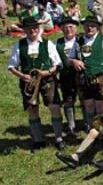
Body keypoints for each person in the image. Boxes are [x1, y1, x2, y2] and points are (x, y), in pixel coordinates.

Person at [7, 17, 64, 151]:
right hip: (29, 83)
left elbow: (58, 63)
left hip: (47, 80)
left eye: (35, 27)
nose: (33, 30)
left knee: (54, 107)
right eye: (30, 28)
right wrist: (22, 76)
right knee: (32, 109)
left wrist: (47, 72)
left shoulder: (47, 43)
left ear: (38, 29)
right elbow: (11, 66)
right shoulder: (19, 45)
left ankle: (58, 138)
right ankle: (38, 140)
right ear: (25, 30)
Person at [66, 16, 103, 130]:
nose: (89, 28)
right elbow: (69, 58)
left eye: (92, 26)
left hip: (99, 78)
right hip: (84, 78)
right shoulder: (78, 41)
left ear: (97, 27)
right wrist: (74, 61)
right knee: (88, 105)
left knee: (100, 106)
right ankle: (91, 128)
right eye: (87, 25)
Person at [55, 17, 80, 135]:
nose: (68, 29)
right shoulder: (58, 43)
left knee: (85, 100)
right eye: (65, 27)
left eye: (71, 27)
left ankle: (87, 124)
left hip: (81, 75)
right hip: (65, 76)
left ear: (76, 28)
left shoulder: (81, 40)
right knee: (68, 100)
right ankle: (71, 126)